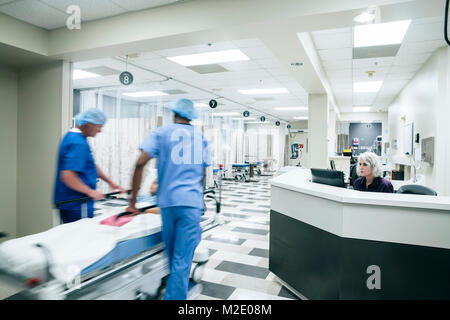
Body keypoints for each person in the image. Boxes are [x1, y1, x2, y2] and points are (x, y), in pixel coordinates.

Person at [126, 98, 211, 300]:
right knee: (181, 262)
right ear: (192, 117)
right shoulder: (201, 138)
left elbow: (139, 164)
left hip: (168, 204)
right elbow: (202, 174)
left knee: (173, 259)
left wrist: (133, 202)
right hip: (190, 204)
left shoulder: (160, 133)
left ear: (173, 114)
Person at [54, 108, 126, 223]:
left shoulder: (72, 136)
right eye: (99, 126)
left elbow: (90, 165)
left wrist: (111, 182)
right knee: (80, 237)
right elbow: (67, 176)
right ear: (88, 123)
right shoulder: (78, 143)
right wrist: (90, 192)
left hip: (74, 201)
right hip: (77, 202)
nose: (100, 130)